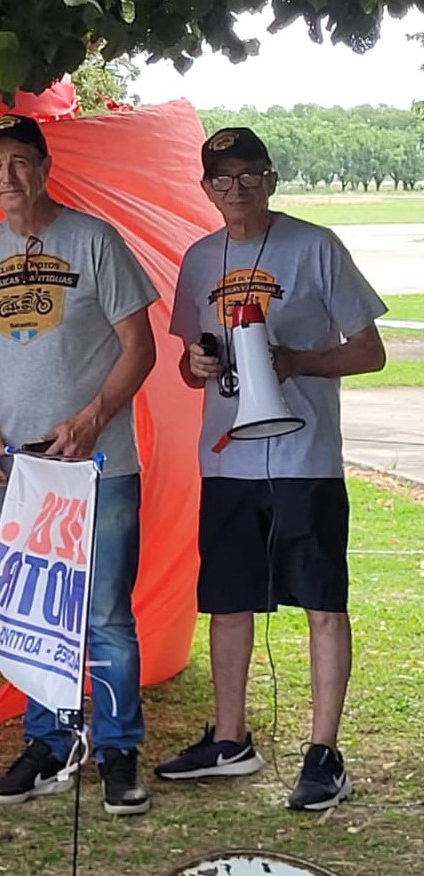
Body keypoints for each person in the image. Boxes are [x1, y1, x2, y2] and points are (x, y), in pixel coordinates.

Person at [159, 127, 386, 811]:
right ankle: (230, 740)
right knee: (228, 602)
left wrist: (297, 362)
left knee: (322, 602)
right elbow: (187, 364)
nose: (237, 189)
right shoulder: (200, 258)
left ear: (270, 178)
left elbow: (370, 350)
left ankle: (324, 754)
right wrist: (197, 363)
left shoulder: (315, 246)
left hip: (303, 458)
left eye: (249, 175)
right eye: (223, 179)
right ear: (206, 188)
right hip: (227, 460)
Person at [0, 115, 158, 815]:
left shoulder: (94, 240)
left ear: (45, 168)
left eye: (20, 162)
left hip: (96, 462)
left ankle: (117, 750)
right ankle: (47, 743)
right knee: (34, 612)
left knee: (103, 613)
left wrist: (91, 417)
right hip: (18, 469)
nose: (7, 177)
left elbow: (139, 347)